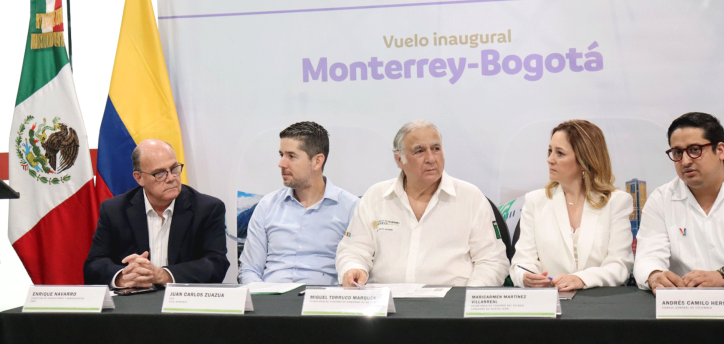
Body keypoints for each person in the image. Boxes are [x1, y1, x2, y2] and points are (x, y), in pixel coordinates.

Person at [336, 120, 508, 287]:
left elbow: (492, 261)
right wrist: (353, 269)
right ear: (399, 159)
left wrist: (468, 298)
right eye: (419, 151)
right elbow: (353, 250)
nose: (431, 158)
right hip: (385, 307)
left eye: (436, 149)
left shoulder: (471, 197)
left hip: (449, 308)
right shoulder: (375, 196)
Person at [634, 112, 724, 292]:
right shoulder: (660, 199)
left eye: (695, 150)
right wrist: (654, 274)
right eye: (677, 152)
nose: (685, 161)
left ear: (720, 150)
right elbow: (647, 257)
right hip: (683, 308)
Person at [84, 139, 229, 286]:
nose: (171, 178)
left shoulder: (207, 209)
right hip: (134, 304)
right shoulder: (114, 210)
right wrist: (124, 277)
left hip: (184, 304)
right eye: (160, 173)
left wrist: (162, 275)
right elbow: (94, 266)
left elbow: (216, 265)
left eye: (174, 169)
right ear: (139, 178)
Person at [511, 120, 634, 291]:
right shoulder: (535, 201)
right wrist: (526, 277)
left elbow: (620, 265)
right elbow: (521, 262)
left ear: (585, 160)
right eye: (550, 151)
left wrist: (581, 279)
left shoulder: (616, 202)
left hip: (598, 304)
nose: (549, 160)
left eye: (559, 153)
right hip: (548, 305)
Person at [239, 122, 358, 285]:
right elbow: (249, 269)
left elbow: (357, 266)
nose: (281, 163)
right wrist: (262, 299)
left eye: (291, 156)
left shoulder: (351, 208)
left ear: (317, 161)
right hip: (271, 301)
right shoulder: (267, 206)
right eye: (281, 154)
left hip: (323, 303)